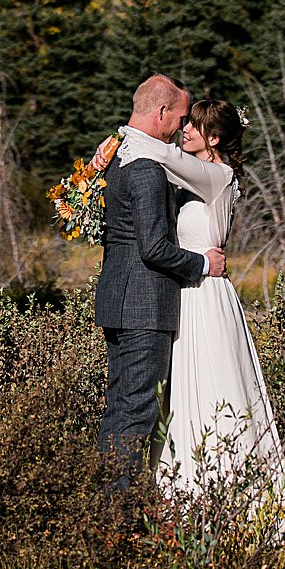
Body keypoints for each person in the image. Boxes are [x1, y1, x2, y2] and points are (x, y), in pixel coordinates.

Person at [93, 97, 285, 546]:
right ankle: (179, 496)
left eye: (194, 126)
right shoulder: (184, 174)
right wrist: (103, 157)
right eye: (182, 123)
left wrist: (123, 135)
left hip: (208, 296)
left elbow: (159, 153)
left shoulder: (218, 177)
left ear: (215, 138)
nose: (184, 131)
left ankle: (227, 492)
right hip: (181, 295)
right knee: (178, 398)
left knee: (216, 390)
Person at [94, 74, 227, 490]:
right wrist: (203, 265)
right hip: (145, 304)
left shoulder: (119, 157)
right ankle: (116, 513)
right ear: (162, 112)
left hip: (118, 298)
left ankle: (104, 502)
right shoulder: (147, 169)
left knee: (120, 406)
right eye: (181, 117)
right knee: (135, 413)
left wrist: (113, 139)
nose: (182, 127)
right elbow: (154, 248)